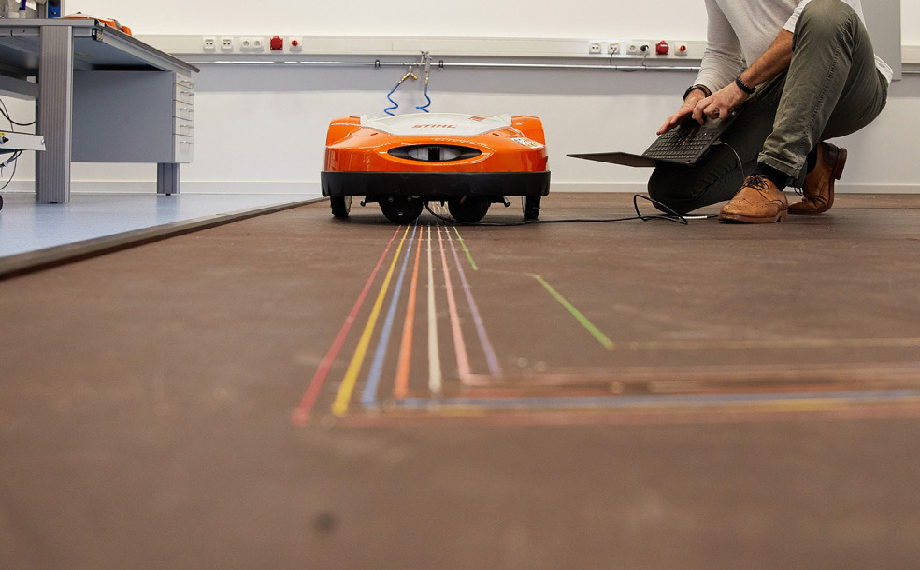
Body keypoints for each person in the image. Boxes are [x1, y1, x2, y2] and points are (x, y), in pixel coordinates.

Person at [648, 0, 892, 222]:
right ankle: (811, 162)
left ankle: (771, 177)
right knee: (670, 189)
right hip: (776, 90)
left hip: (850, 88)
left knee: (827, 11)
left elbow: (822, 24)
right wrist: (698, 93)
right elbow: (722, 53)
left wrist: (740, 87)